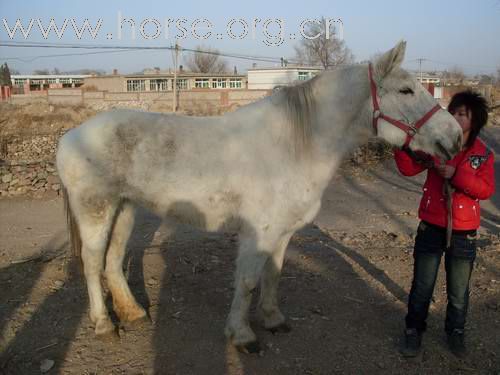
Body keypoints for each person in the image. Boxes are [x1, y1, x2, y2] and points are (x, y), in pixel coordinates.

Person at [394, 90, 495, 358]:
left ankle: (456, 332)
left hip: (464, 233)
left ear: (475, 121)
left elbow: (485, 190)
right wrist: (400, 144)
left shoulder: (483, 154)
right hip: (431, 226)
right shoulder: (435, 145)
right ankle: (413, 330)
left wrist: (456, 175)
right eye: (453, 111)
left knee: (458, 290)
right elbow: (408, 168)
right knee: (422, 286)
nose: (455, 117)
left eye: (462, 113)